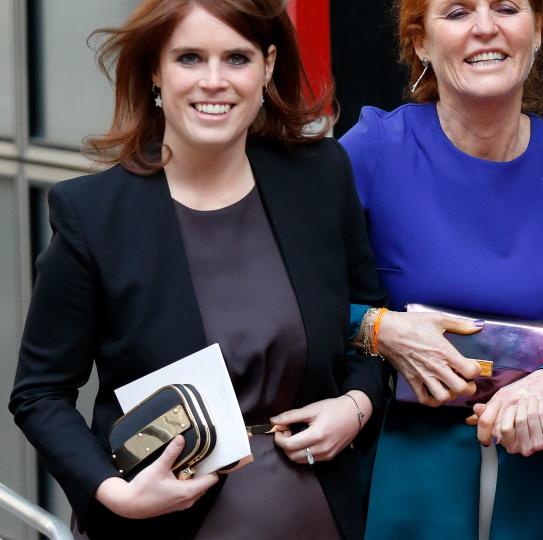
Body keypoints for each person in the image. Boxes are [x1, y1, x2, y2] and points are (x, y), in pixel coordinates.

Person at [8, 1, 386, 539]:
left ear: (268, 65)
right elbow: (40, 394)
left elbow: (367, 326)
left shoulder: (320, 177)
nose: (214, 82)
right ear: (156, 70)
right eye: (189, 58)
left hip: (320, 513)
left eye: (236, 58)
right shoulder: (93, 214)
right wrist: (117, 494)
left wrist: (358, 405)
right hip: (163, 522)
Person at [339, 1, 543, 538]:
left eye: (505, 7)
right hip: (404, 482)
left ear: (538, 31)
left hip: (542, 473)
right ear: (420, 42)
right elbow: (293, 299)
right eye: (456, 11)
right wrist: (380, 328)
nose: (484, 27)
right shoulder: (373, 151)